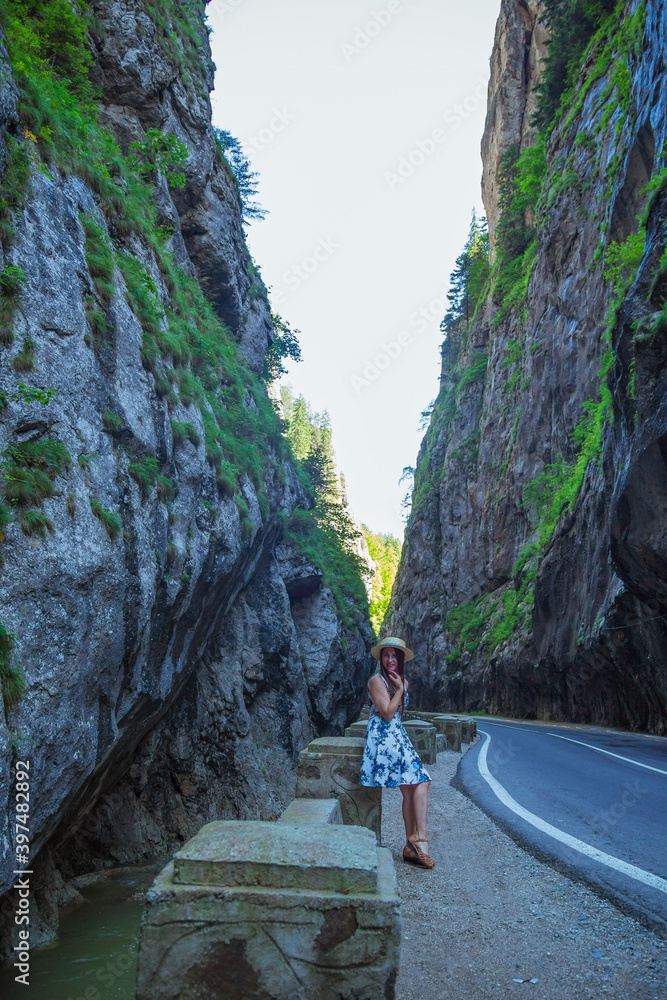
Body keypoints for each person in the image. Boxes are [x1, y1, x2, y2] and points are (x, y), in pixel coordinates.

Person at [360, 636, 434, 869]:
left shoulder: (402, 681)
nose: (390, 659)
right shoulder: (376, 680)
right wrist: (400, 690)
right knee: (422, 781)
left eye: (394, 655)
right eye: (386, 655)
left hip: (398, 736)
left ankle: (410, 847)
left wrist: (402, 687)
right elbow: (388, 713)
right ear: (380, 658)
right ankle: (420, 839)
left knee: (413, 787)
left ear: (400, 658)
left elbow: (397, 718)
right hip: (384, 738)